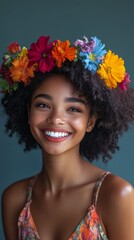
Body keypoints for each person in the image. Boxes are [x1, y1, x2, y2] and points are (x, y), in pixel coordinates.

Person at [0, 35, 134, 240]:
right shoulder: (14, 199)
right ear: (28, 113)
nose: (56, 119)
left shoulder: (115, 195)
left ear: (90, 121)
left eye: (73, 109)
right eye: (43, 105)